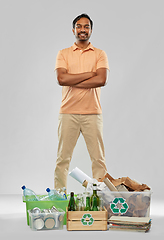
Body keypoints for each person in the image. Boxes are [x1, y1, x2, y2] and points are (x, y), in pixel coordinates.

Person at [54, 13, 110, 190]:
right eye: (79, 26)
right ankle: (59, 197)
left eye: (86, 27)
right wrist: (90, 74)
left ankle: (100, 199)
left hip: (93, 113)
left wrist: (74, 79)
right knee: (63, 159)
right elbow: (62, 79)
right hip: (68, 113)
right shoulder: (63, 54)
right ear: (73, 30)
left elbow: (101, 80)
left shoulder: (100, 54)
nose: (82, 30)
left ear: (91, 30)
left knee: (98, 160)